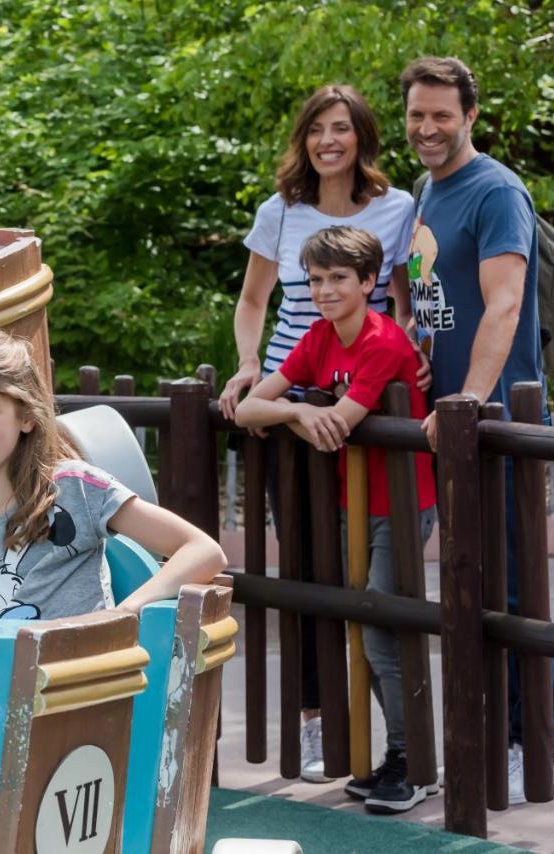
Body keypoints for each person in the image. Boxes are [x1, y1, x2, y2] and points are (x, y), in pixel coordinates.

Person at [217, 84, 425, 783]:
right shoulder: (282, 212)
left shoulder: (397, 208)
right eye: (316, 129)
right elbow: (254, 300)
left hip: (360, 391)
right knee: (306, 563)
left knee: (363, 574)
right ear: (303, 139)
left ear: (363, 137)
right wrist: (251, 367)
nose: (328, 141)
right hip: (290, 384)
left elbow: (400, 295)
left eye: (342, 128)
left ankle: (393, 738)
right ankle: (314, 719)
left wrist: (416, 346)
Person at [401, 55, 554, 804]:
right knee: (473, 582)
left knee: (518, 584)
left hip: (494, 418)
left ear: (470, 115)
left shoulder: (496, 190)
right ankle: (503, 728)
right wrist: (419, 356)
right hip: (452, 417)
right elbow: (431, 299)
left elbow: (502, 303)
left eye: (441, 114)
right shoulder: (424, 194)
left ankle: (540, 739)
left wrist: (466, 400)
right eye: (416, 114)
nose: (427, 127)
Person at [235, 226, 438, 814]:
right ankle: (401, 754)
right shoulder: (319, 339)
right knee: (366, 629)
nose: (324, 291)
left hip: (401, 504)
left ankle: (414, 764)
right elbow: (251, 407)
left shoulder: (382, 341)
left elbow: (341, 421)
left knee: (381, 631)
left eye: (338, 279)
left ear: (370, 282)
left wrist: (295, 414)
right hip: (354, 505)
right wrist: (298, 408)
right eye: (316, 279)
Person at [0, 330, 226, 622]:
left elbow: (203, 550)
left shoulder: (74, 489)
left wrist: (125, 611)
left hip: (80, 682)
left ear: (26, 416)